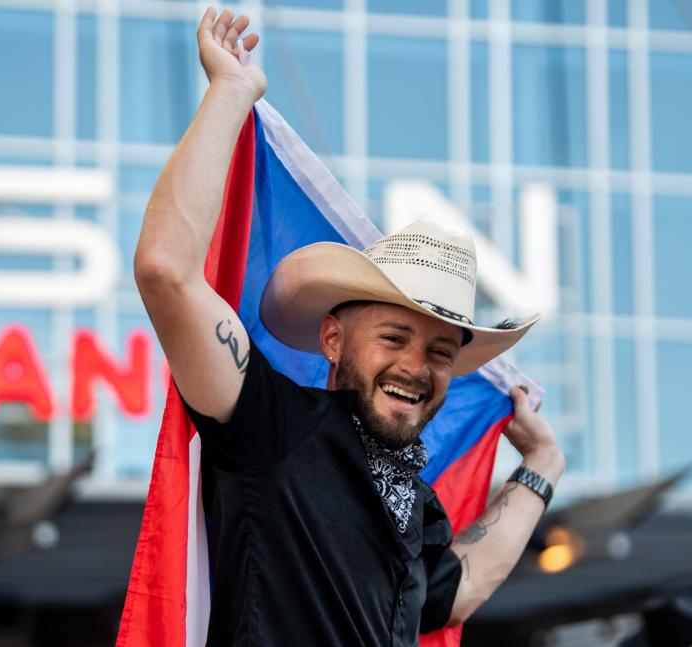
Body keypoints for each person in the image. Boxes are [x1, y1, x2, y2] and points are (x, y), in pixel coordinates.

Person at [133, 7, 565, 646]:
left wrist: (543, 465)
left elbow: (457, 589)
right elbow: (167, 270)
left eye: (441, 351)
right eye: (394, 338)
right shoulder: (272, 426)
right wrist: (230, 91)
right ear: (333, 338)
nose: (417, 367)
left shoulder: (416, 498)